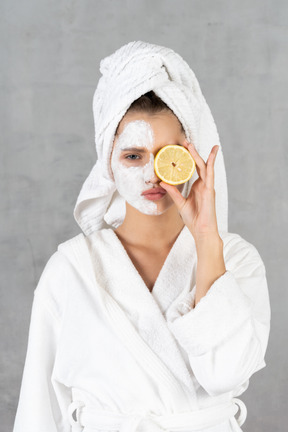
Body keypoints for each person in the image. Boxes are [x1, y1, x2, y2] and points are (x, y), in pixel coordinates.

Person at [13, 41, 271, 432]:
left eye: (168, 154)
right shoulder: (71, 269)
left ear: (191, 156)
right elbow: (39, 410)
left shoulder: (235, 258)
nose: (152, 174)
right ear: (109, 163)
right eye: (133, 156)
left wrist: (206, 239)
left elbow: (226, 375)